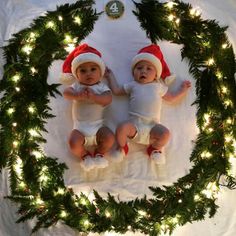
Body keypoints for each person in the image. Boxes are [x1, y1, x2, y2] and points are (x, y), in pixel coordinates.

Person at [105, 44, 191, 164]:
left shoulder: (158, 87)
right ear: (133, 72)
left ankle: (155, 149)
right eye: (139, 68)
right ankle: (122, 147)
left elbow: (171, 98)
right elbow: (117, 91)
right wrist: (110, 77)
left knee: (165, 134)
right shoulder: (133, 85)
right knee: (121, 128)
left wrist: (182, 90)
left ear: (156, 75)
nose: (143, 71)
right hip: (134, 126)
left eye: (148, 69)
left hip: (152, 128)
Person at [61, 43, 115, 171]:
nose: (88, 74)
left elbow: (108, 99)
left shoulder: (101, 87)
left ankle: (99, 153)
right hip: (80, 128)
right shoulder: (77, 86)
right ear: (77, 74)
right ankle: (84, 155)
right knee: (73, 143)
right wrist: (78, 96)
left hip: (98, 127)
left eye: (93, 69)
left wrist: (95, 98)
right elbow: (66, 93)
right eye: (83, 71)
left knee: (109, 138)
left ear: (101, 72)